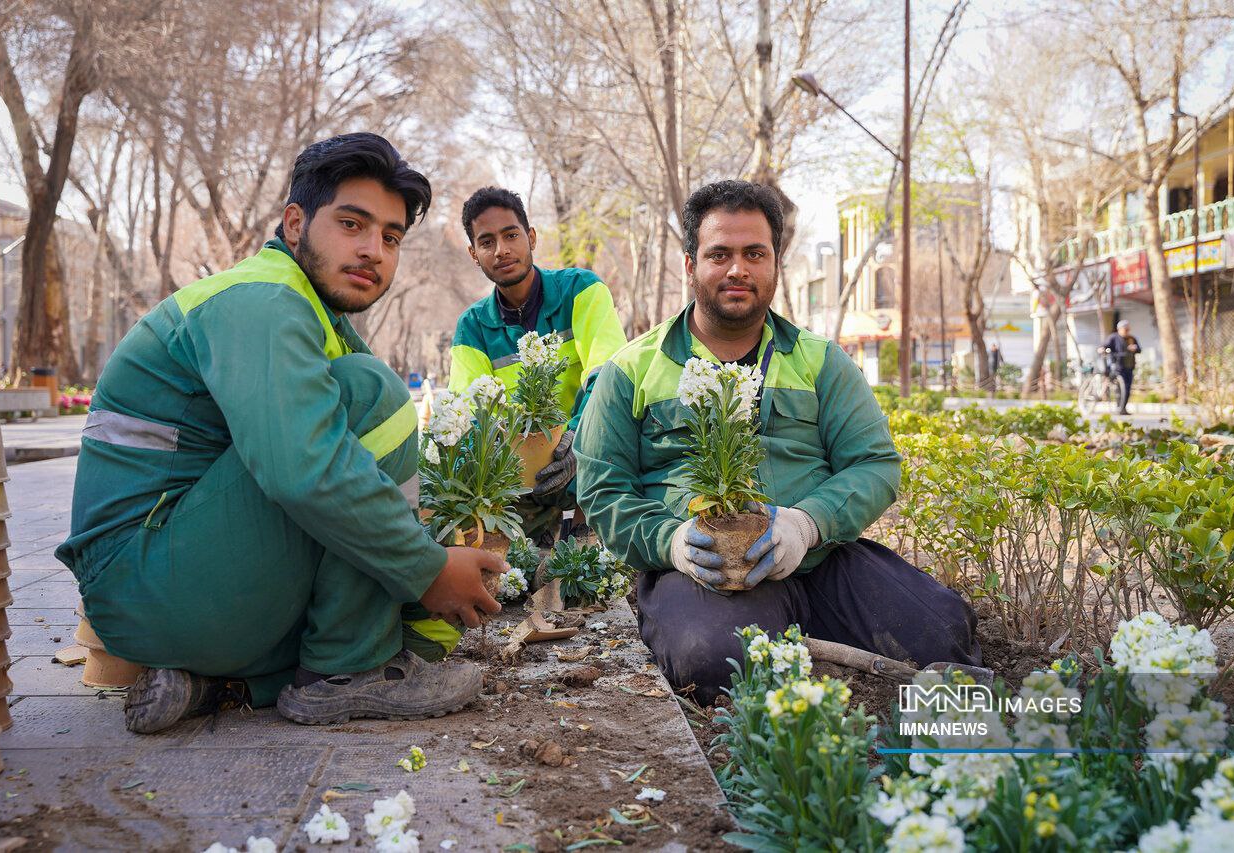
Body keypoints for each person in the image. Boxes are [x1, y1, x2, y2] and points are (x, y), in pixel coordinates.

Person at [56, 134, 507, 734]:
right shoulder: (263, 302)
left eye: (391, 237)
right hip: (148, 575)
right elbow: (305, 470)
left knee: (365, 517)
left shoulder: (309, 311)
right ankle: (348, 670)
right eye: (352, 223)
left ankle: (220, 682)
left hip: (169, 590)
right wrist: (426, 569)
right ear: (295, 224)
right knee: (372, 396)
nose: (373, 250)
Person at [574, 180, 980, 705]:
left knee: (942, 632)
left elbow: (874, 465)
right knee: (716, 661)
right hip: (706, 573)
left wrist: (806, 524)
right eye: (719, 254)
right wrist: (670, 543)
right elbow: (604, 492)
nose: (737, 269)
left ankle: (813, 638)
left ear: (775, 264)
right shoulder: (631, 369)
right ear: (690, 264)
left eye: (754, 254)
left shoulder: (819, 360)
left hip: (818, 558)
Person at [448, 187, 627, 543]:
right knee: (515, 570)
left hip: (588, 455)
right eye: (486, 242)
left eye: (511, 235)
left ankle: (586, 537)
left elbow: (608, 375)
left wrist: (577, 440)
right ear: (473, 253)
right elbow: (466, 412)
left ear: (531, 237)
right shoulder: (472, 328)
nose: (501, 250)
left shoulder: (581, 289)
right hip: (519, 479)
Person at [1102, 319, 1140, 416]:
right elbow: (1105, 346)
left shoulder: (1131, 338)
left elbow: (1139, 349)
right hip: (1118, 366)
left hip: (1130, 366)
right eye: (1125, 329)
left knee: (1128, 388)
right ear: (1119, 329)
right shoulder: (1114, 337)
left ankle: (1123, 408)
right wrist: (1102, 349)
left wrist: (1135, 348)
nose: (1127, 331)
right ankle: (1119, 407)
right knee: (1120, 388)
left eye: (1128, 329)